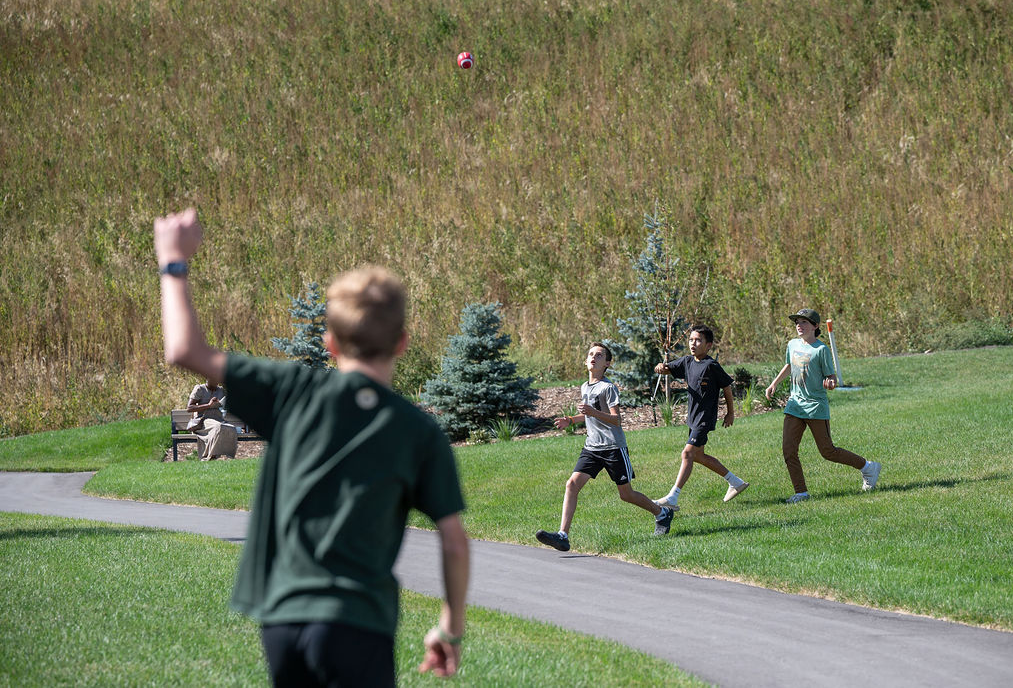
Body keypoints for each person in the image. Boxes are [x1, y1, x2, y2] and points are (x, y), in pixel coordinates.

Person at [154, 209, 470, 686]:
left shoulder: (292, 391)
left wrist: (173, 260)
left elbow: (184, 350)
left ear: (329, 343)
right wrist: (451, 628)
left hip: (282, 621)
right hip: (358, 624)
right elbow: (454, 542)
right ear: (402, 343)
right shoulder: (417, 431)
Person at [535, 342, 675, 552]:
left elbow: (615, 419)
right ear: (585, 360)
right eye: (590, 354)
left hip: (612, 447)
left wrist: (592, 412)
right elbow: (590, 412)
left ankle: (662, 514)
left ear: (607, 363)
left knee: (626, 495)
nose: (593, 357)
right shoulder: (585, 386)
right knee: (571, 484)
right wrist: (572, 420)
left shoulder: (608, 388)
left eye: (599, 355)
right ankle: (563, 536)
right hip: (592, 447)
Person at [766, 308, 881, 503]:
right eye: (797, 322)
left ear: (815, 326)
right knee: (788, 450)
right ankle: (801, 492)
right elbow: (788, 365)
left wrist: (831, 383)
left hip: (815, 407)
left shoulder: (821, 350)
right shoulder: (792, 344)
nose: (799, 326)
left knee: (828, 451)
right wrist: (774, 383)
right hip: (795, 406)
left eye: (804, 322)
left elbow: (831, 377)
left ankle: (868, 467)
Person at [651, 324, 748, 510]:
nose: (693, 344)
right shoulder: (688, 362)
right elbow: (668, 368)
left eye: (698, 340)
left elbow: (727, 388)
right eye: (691, 340)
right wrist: (661, 368)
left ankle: (673, 497)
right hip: (693, 418)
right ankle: (735, 482)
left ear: (708, 345)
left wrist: (730, 413)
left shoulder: (711, 366)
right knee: (699, 456)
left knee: (687, 453)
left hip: (704, 418)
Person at [186, 377, 238, 460]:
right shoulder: (200, 389)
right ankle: (210, 456)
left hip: (219, 418)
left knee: (231, 428)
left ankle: (229, 456)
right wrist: (208, 405)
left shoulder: (221, 390)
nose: (216, 384)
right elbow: (189, 408)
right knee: (218, 427)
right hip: (204, 420)